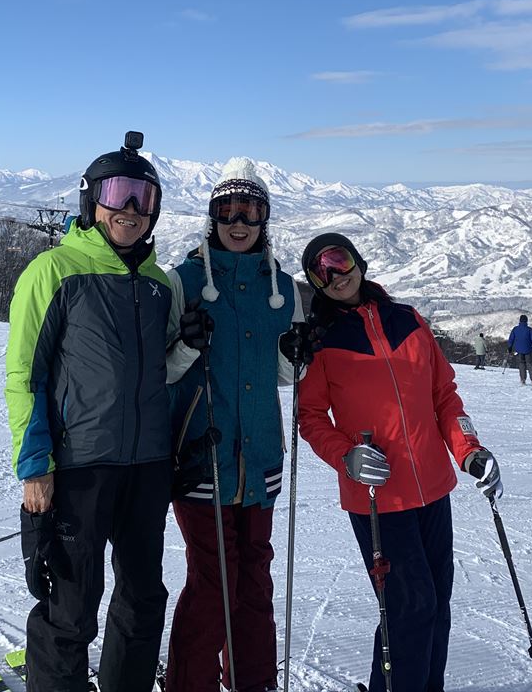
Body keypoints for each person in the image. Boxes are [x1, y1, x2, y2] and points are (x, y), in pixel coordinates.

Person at [295, 232, 502, 692]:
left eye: (339, 261)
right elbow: (310, 417)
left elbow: (444, 395)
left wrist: (469, 450)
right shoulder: (322, 341)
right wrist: (346, 456)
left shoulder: (408, 320)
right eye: (320, 273)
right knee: (411, 607)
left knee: (437, 604)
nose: (335, 276)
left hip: (433, 487)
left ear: (358, 261)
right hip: (376, 497)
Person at [4, 132, 174, 692]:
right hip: (80, 465)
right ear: (90, 198)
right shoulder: (54, 271)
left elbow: (167, 371)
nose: (131, 209)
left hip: (147, 466)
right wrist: (36, 466)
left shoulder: (159, 285)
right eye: (118, 193)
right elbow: (25, 376)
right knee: (71, 604)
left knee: (143, 598)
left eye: (144, 197)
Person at [164, 158, 304, 692]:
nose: (238, 222)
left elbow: (285, 376)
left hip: (261, 455)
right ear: (213, 217)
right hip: (202, 456)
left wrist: (297, 353)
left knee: (254, 578)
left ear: (264, 218)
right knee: (212, 582)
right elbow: (161, 371)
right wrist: (186, 345)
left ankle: (254, 680)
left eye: (250, 210)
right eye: (228, 210)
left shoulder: (283, 289)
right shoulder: (183, 282)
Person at [508, 314, 532, 385]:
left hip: (518, 350)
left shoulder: (515, 329)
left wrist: (510, 347)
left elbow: (511, 339)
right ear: (526, 321)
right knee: (530, 364)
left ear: (520, 320)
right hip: (528, 350)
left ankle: (523, 380)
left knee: (521, 364)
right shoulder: (529, 329)